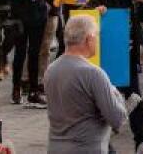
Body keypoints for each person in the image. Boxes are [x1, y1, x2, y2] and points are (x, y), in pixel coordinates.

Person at [86, 0, 143, 147]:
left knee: (134, 97)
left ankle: (141, 140)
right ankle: (102, 139)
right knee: (104, 97)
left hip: (129, 54)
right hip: (109, 55)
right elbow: (82, 18)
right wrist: (95, 13)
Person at [45, 14, 128, 154]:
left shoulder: (51, 70)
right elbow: (117, 118)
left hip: (55, 147)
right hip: (87, 148)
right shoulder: (93, 73)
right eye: (96, 36)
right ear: (89, 38)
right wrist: (116, 94)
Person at [8, 0, 52, 106]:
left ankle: (34, 90)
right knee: (20, 53)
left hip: (39, 16)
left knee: (35, 53)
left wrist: (54, 1)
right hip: (21, 16)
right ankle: (16, 87)